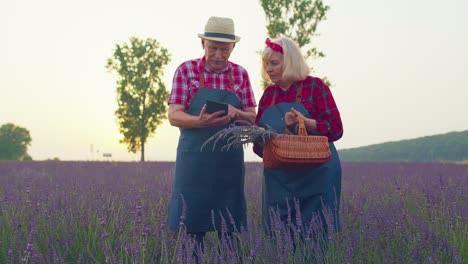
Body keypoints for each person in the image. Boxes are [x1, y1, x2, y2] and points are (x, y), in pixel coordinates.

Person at [167, 16, 257, 247]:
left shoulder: (241, 74)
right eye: (213, 48)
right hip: (194, 163)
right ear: (203, 44)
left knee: (230, 229)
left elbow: (253, 117)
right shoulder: (186, 70)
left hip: (229, 164)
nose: (218, 54)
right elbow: (174, 115)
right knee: (191, 227)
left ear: (233, 47)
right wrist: (200, 121)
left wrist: (236, 113)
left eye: (224, 49)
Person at [253, 36, 343, 241]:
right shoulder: (269, 95)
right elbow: (259, 148)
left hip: (317, 175)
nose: (269, 68)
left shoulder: (315, 87)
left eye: (274, 63)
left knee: (317, 237)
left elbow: (336, 129)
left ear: (290, 62)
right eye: (266, 64)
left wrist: (307, 123)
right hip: (280, 180)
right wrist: (268, 132)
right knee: (281, 239)